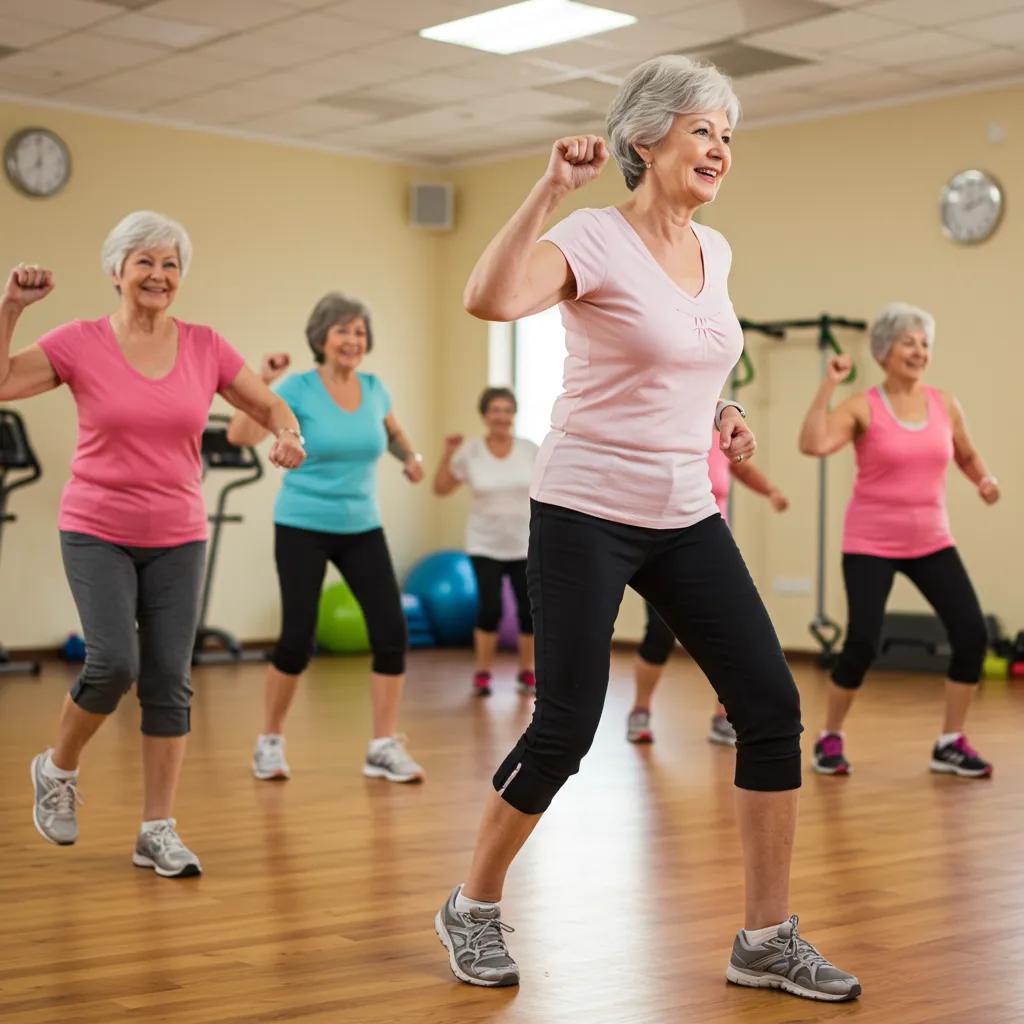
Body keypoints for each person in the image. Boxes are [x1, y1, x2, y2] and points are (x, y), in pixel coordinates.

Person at [433, 56, 859, 1002]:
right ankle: (472, 903)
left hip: (683, 510)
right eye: (703, 129)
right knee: (566, 726)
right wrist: (547, 186)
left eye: (728, 136)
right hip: (584, 507)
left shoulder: (719, 253)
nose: (719, 149)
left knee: (771, 709)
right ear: (645, 138)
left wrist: (723, 413)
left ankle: (765, 938)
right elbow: (489, 300)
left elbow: (685, 358)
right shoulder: (591, 235)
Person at [1, 211, 305, 878]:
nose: (159, 276)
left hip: (177, 535)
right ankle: (57, 769)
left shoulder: (204, 346)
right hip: (96, 528)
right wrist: (12, 308)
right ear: (117, 271)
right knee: (113, 664)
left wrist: (289, 434)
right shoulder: (79, 342)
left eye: (170, 265)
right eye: (145, 262)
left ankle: (157, 830)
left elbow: (268, 407)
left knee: (170, 679)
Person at [228, 292, 425, 785]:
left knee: (391, 633)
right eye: (342, 331)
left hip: (362, 525)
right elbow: (240, 437)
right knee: (297, 638)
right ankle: (269, 741)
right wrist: (264, 381)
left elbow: (392, 433)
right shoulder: (296, 388)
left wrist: (412, 458)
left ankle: (382, 746)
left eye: (359, 332)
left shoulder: (375, 388)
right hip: (302, 524)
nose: (352, 340)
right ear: (321, 337)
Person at [798, 302, 997, 778]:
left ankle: (950, 741)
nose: (919, 351)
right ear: (884, 352)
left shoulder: (944, 403)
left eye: (925, 343)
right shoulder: (863, 405)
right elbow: (813, 444)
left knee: (972, 634)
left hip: (931, 539)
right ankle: (830, 737)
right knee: (863, 643)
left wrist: (984, 479)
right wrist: (829, 384)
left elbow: (965, 455)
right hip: (870, 542)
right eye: (909, 342)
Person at [628, 436, 789, 745]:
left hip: (711, 552)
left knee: (732, 634)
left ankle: (725, 717)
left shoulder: (717, 433)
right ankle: (640, 710)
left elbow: (741, 469)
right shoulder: (665, 428)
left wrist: (771, 491)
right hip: (661, 549)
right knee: (660, 634)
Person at [433, 387, 539, 697]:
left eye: (507, 410)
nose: (502, 416)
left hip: (523, 543)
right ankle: (482, 672)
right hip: (484, 543)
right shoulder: (471, 451)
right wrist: (447, 454)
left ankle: (526, 671)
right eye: (495, 410)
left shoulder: (530, 450)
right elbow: (441, 488)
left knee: (528, 609)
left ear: (514, 415)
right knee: (489, 608)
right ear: (485, 415)